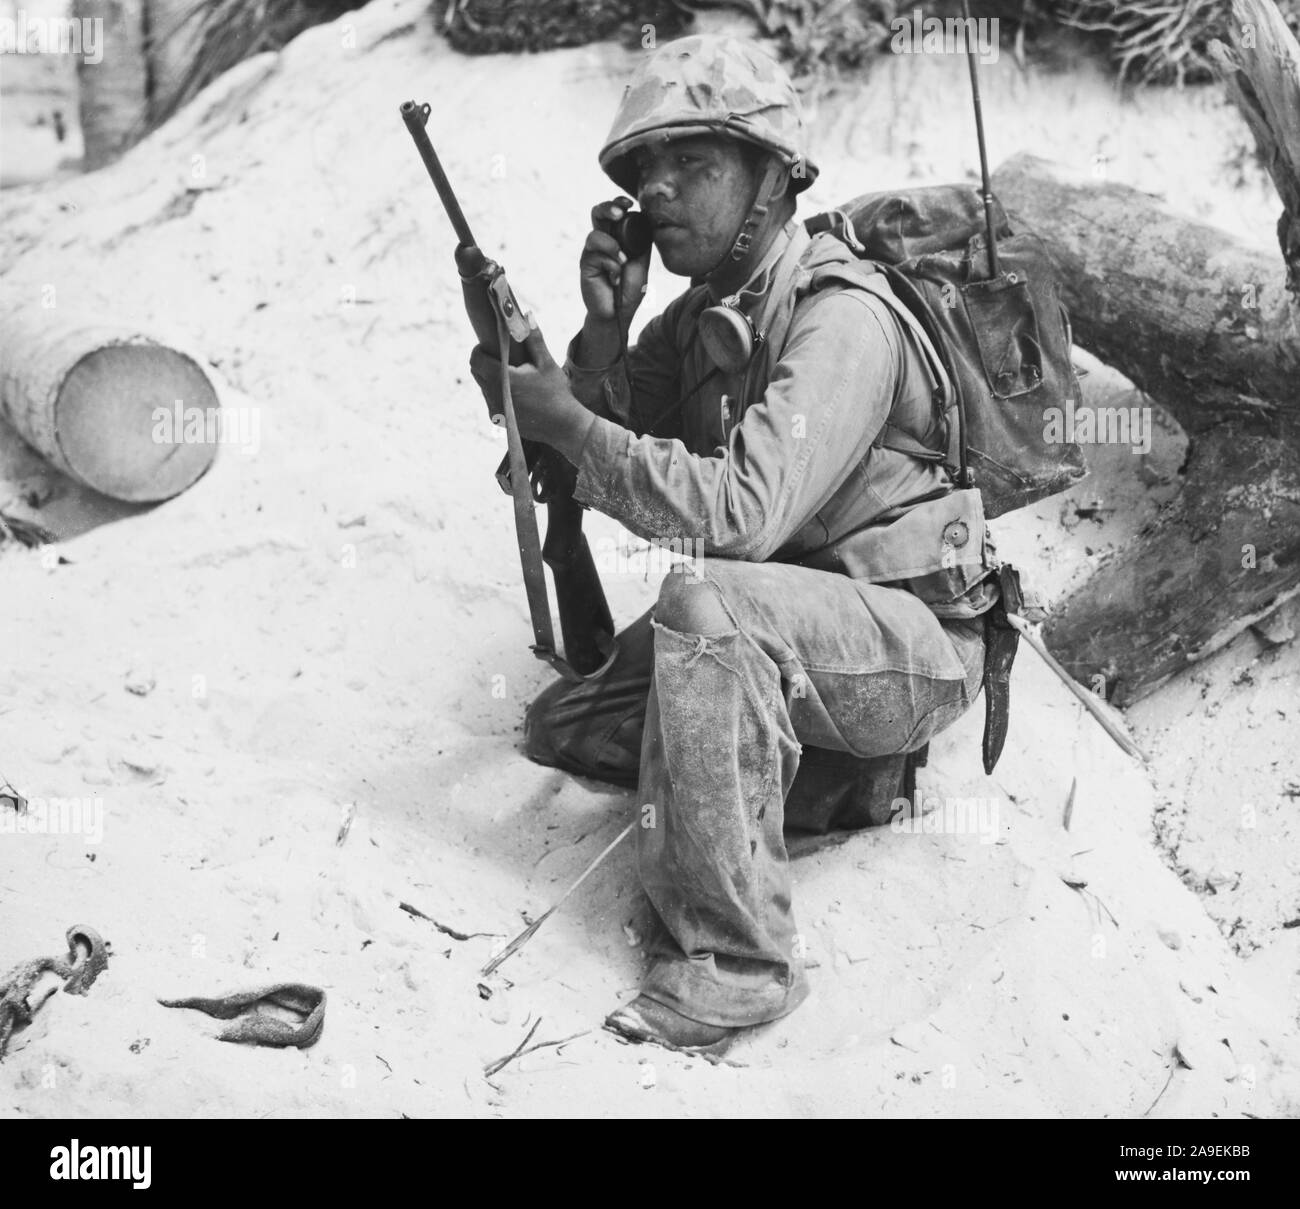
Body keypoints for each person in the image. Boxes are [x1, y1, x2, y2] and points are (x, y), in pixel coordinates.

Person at [469, 33, 999, 1051]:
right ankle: (810, 779)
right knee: (568, 730)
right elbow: (582, 459)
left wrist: (575, 426)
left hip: (908, 647)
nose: (658, 191)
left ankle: (741, 958)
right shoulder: (699, 317)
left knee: (701, 602)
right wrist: (599, 340)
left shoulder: (841, 316)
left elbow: (740, 515)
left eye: (694, 166)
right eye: (642, 174)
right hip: (792, 630)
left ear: (772, 177)